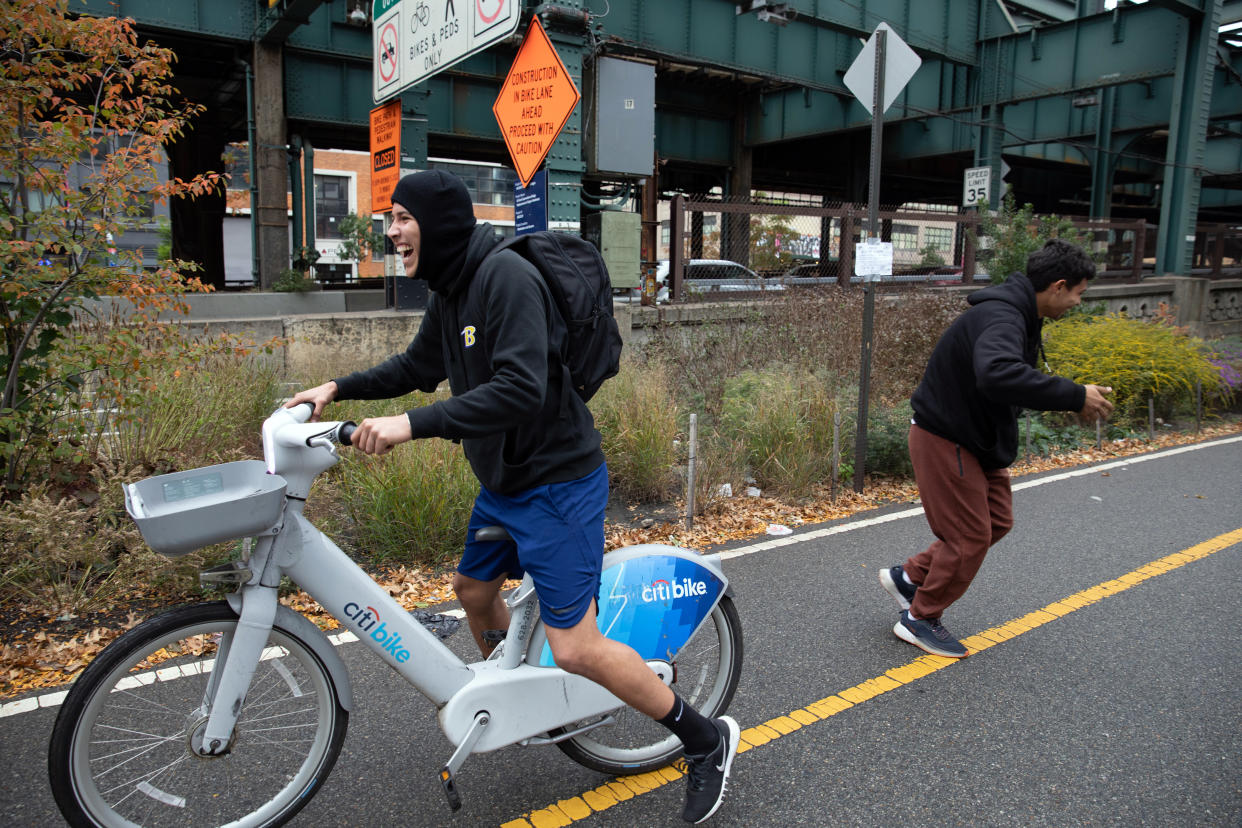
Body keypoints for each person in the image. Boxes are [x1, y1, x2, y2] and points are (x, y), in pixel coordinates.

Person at [287, 170, 739, 824]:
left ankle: (705, 739)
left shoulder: (505, 279)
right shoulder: (452, 287)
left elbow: (522, 389)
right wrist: (335, 386)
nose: (391, 231)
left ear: (436, 224)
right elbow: (417, 368)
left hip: (557, 485)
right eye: (391, 219)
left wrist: (413, 425)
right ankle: (519, 697)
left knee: (578, 647)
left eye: (401, 217)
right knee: (473, 592)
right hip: (504, 484)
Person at [879, 238, 1114, 658]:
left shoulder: (1020, 313)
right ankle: (919, 617)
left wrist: (1065, 398)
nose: (1078, 302)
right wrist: (1075, 395)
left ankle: (910, 577)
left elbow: (1003, 378)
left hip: (975, 437)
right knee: (969, 536)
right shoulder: (1003, 317)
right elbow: (998, 373)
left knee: (996, 521)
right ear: (1059, 286)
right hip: (945, 435)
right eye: (1079, 293)